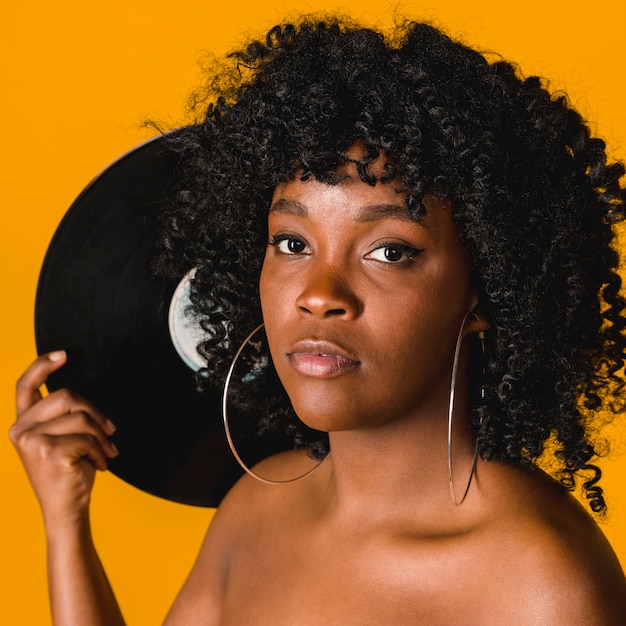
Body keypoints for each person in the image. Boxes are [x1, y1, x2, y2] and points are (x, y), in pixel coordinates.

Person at [11, 16, 626, 624]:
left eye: (389, 251)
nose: (318, 294)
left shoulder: (542, 584)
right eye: (292, 243)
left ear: (485, 292)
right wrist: (66, 524)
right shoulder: (256, 507)